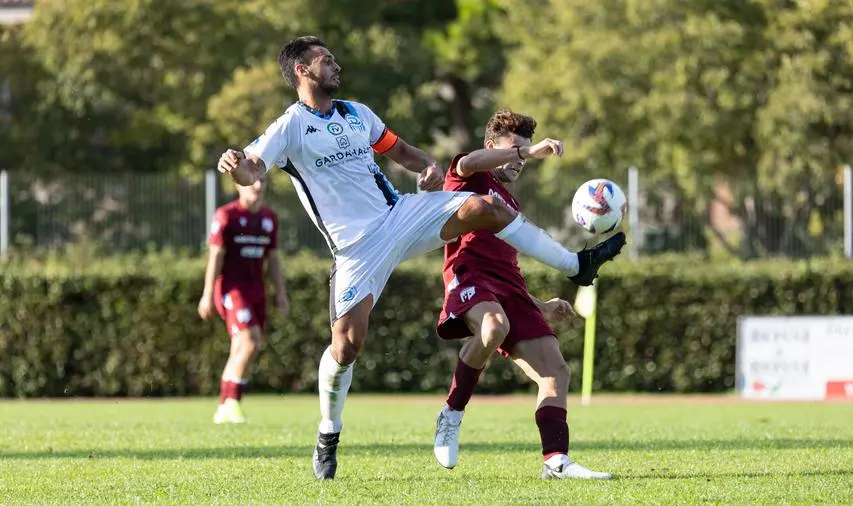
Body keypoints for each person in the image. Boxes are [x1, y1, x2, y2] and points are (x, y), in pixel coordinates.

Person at [216, 36, 626, 480]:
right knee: (346, 347)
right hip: (356, 248)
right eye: (325, 60)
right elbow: (252, 169)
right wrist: (235, 164)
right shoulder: (290, 126)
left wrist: (427, 166)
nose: (335, 64)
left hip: (400, 216)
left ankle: (576, 265)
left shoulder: (357, 113)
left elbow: (401, 150)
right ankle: (328, 431)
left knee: (486, 208)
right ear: (301, 70)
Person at [432, 109, 615, 480]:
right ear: (493, 146)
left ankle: (556, 460)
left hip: (509, 289)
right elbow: (468, 160)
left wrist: (539, 304)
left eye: (524, 151)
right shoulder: (470, 176)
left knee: (556, 372)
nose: (520, 160)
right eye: (513, 149)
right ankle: (451, 413)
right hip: (469, 275)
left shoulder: (511, 206)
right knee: (493, 326)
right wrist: (526, 152)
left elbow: (509, 273)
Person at [198, 174, 290, 424]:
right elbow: (215, 257)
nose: (258, 186)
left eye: (262, 182)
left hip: (256, 289)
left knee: (245, 347)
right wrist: (207, 295)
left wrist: (280, 292)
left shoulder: (269, 218)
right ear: (238, 185)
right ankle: (232, 401)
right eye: (251, 182)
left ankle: (223, 405)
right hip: (232, 289)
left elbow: (273, 259)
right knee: (250, 341)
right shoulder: (226, 215)